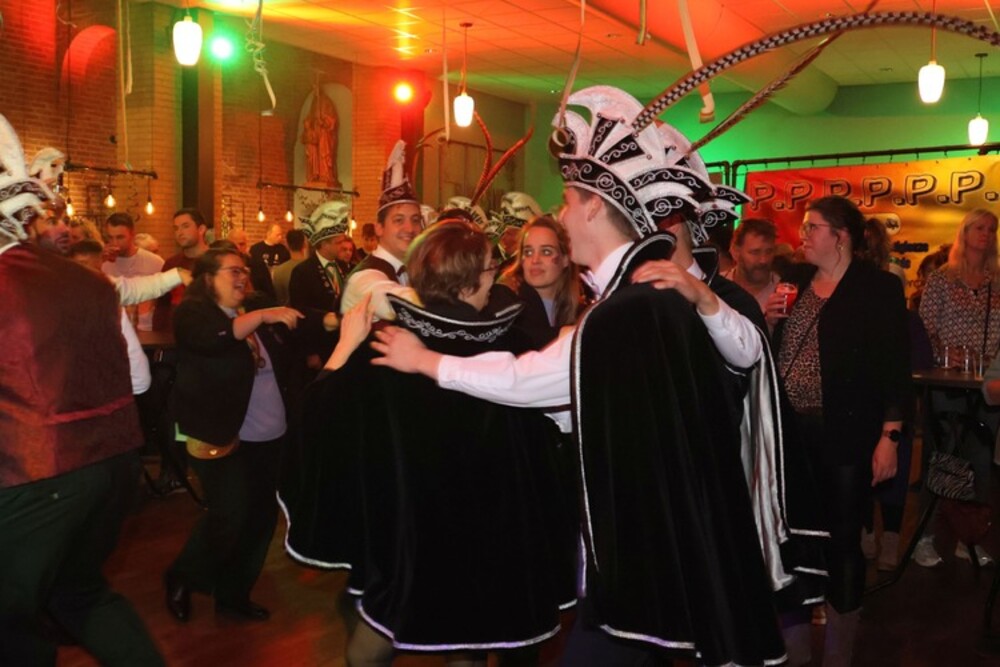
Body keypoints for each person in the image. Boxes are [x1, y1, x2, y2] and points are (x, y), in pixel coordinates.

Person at [371, 86, 787, 665]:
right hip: (657, 539)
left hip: (638, 546)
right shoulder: (635, 295)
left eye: (568, 201)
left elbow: (530, 379)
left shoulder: (629, 306)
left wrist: (427, 362)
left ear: (594, 206)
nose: (562, 214)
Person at [282, 219, 574, 667]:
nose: (496, 276)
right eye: (490, 267)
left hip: (411, 531)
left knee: (380, 634)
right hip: (486, 535)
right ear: (470, 280)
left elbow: (319, 420)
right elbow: (542, 442)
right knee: (468, 639)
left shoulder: (384, 345)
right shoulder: (513, 347)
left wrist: (344, 347)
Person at [0, 114, 163, 666]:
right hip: (114, 468)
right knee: (80, 592)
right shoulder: (87, 280)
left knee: (10, 624)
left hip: (34, 476)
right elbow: (135, 378)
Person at [771, 195, 911, 666]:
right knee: (791, 538)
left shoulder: (876, 287)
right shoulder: (794, 280)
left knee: (842, 539)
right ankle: (794, 648)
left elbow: (894, 368)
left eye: (812, 227)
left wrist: (890, 437)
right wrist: (768, 319)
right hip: (791, 434)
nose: (802, 235)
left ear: (841, 236)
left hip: (847, 434)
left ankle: (838, 651)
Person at [163, 247, 302, 623]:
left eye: (245, 271)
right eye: (233, 271)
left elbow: (293, 326)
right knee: (230, 511)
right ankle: (183, 575)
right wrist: (262, 316)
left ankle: (234, 594)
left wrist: (333, 320)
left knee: (260, 517)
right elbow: (216, 338)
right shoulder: (194, 313)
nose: (242, 277)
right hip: (220, 433)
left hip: (269, 432)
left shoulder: (253, 307)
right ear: (208, 278)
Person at [915, 209, 1000, 567]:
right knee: (942, 456)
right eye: (979, 228)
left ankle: (971, 536)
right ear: (964, 233)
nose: (986, 234)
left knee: (980, 460)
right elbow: (924, 330)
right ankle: (925, 536)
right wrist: (945, 353)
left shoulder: (998, 281)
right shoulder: (941, 279)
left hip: (987, 382)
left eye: (992, 229)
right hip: (946, 380)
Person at [339, 140, 424, 321]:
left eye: (415, 220)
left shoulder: (414, 270)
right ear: (379, 228)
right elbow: (402, 304)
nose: (410, 228)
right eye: (398, 220)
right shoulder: (364, 277)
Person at [498, 215, 580, 348]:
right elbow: (527, 338)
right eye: (528, 252)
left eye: (546, 252)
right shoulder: (506, 303)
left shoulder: (579, 309)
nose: (535, 260)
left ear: (565, 259)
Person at [103, 213, 165, 331]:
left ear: (132, 235)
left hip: (148, 330)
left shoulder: (155, 262)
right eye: (110, 238)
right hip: (114, 330)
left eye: (120, 237)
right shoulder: (104, 264)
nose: (115, 243)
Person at [153, 207, 210, 331]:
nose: (180, 232)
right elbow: (162, 305)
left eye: (185, 226)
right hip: (175, 334)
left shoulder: (216, 260)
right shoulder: (171, 264)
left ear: (201, 229)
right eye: (176, 228)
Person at [723, 217, 780, 316]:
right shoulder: (715, 288)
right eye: (755, 252)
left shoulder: (782, 292)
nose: (763, 260)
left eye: (769, 252)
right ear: (735, 252)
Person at [272, 227, 309, 305]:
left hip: (288, 311)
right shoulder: (313, 267)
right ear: (304, 245)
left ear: (287, 245)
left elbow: (280, 299)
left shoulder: (278, 271)